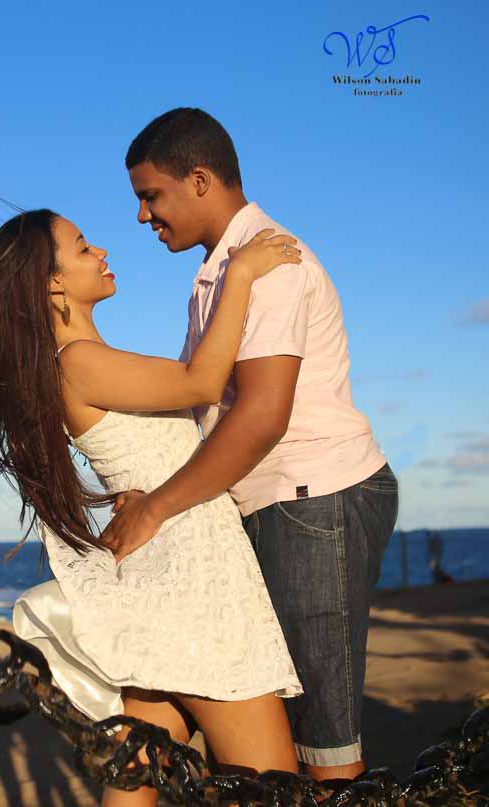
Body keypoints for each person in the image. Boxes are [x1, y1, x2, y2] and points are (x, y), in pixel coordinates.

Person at [0, 209, 303, 806]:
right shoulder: (78, 362)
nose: (101, 251)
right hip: (193, 576)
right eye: (82, 246)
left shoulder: (82, 360)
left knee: (137, 773)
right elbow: (203, 381)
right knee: (272, 784)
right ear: (52, 283)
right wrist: (242, 274)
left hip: (166, 568)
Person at [105, 107, 399, 782]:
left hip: (312, 499)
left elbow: (263, 416)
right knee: (261, 725)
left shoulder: (272, 261)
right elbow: (199, 402)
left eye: (150, 196)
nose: (143, 216)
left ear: (200, 180)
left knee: (325, 745)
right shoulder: (221, 273)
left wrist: (156, 509)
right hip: (272, 504)